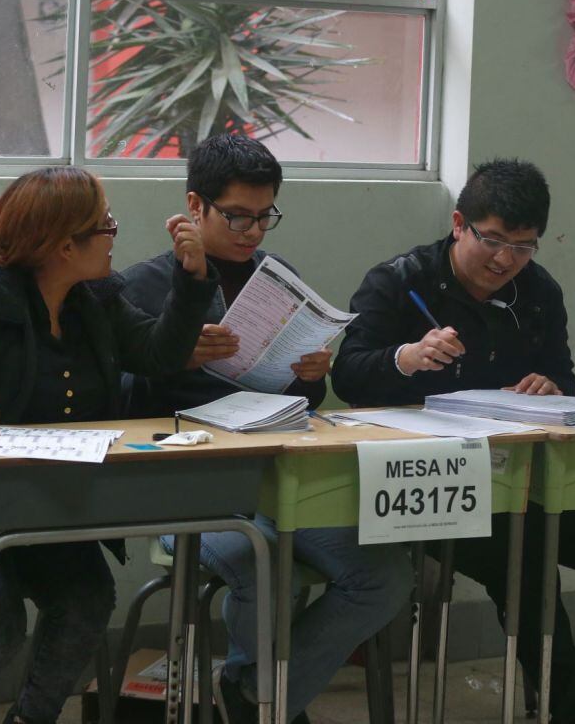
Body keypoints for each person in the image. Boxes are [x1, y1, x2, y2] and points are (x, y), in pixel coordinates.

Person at [334, 159, 575, 724]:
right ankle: (570, 708)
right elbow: (347, 375)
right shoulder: (400, 282)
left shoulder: (537, 292)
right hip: (434, 487)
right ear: (459, 224)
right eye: (493, 240)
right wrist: (404, 358)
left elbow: (566, 382)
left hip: (524, 480)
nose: (505, 260)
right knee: (519, 556)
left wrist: (552, 389)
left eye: (524, 247)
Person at [0, 167, 219, 724]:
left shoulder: (95, 301)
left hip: (38, 506)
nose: (114, 234)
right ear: (63, 245)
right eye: (105, 225)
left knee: (86, 601)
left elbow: (156, 355)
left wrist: (192, 279)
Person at [120, 134, 414, 724]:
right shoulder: (143, 287)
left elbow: (301, 403)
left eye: (264, 217)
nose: (252, 232)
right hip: (192, 484)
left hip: (282, 477)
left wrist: (309, 375)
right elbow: (121, 407)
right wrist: (174, 357)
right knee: (261, 561)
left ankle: (258, 693)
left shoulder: (277, 279)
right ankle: (271, 703)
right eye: (236, 216)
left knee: (385, 576)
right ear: (195, 206)